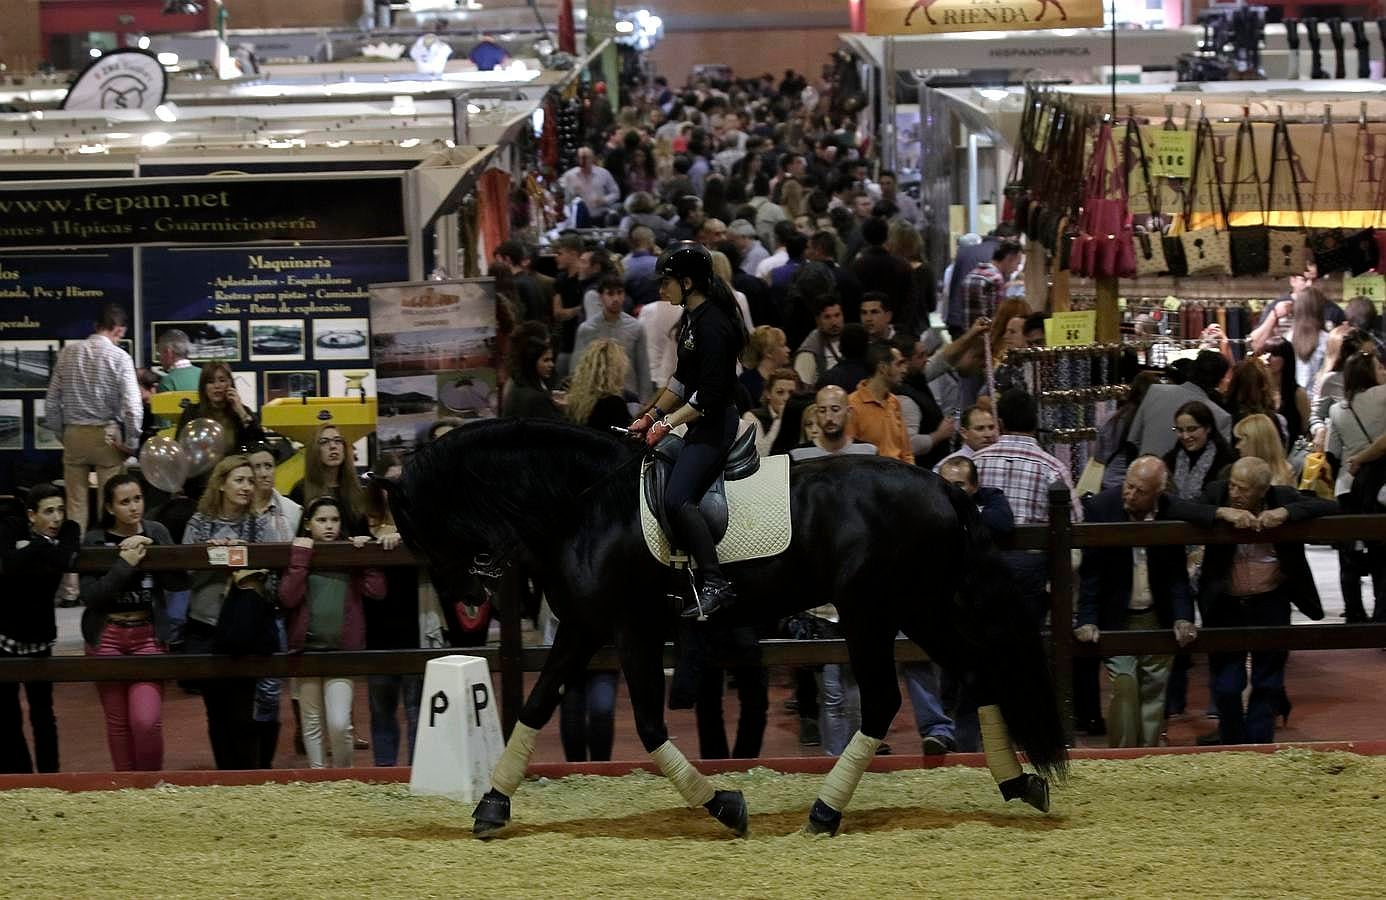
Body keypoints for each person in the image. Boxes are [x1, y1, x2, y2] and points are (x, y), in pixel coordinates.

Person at [1163, 457, 1337, 744]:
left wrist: (1286, 513)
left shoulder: (1281, 496)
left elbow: (1330, 505)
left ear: (1262, 490)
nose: (1235, 493)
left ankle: (1259, 745)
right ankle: (1233, 743)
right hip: (1226, 602)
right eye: (1233, 485)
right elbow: (1175, 506)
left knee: (1268, 681)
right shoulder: (1218, 493)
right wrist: (1222, 513)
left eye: (1243, 489)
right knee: (1227, 684)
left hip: (1270, 600)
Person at [628, 241, 746, 618]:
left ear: (689, 282)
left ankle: (715, 580)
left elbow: (708, 396)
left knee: (678, 498)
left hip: (715, 425)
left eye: (667, 282)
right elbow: (681, 381)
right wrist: (648, 416)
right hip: (698, 420)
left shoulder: (714, 325)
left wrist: (666, 424)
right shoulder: (693, 321)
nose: (661, 290)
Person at [1075, 457, 1197, 749]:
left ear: (1158, 492)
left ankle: (1149, 755)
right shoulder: (1102, 508)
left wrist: (1183, 616)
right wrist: (1087, 619)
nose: (1130, 494)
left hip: (1157, 613)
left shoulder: (1170, 512)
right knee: (1125, 684)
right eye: (1128, 486)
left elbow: (1176, 575)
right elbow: (1091, 572)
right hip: (1116, 614)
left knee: (1155, 690)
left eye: (1140, 491)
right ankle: (1123, 756)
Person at [78, 474, 187, 771]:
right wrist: (124, 565)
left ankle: (149, 785)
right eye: (124, 502)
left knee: (146, 721)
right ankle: (125, 788)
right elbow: (91, 595)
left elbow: (178, 582)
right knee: (118, 723)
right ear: (111, 508)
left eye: (137, 499)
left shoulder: (156, 530)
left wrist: (154, 552)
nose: (133, 507)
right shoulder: (95, 538)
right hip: (107, 634)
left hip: (148, 634)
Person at [279, 497, 387, 768]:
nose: (329, 526)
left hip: (342, 651)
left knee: (340, 723)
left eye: (334, 520)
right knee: (311, 723)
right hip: (306, 651)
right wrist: (300, 560)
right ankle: (319, 780)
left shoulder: (349, 552)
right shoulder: (299, 553)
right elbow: (288, 598)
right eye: (321, 520)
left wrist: (365, 558)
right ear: (308, 523)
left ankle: (343, 776)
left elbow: (377, 591)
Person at [182, 455, 274, 770]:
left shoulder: (259, 522)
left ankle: (247, 778)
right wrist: (212, 553)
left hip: (243, 626)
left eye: (250, 481)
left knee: (242, 710)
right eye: (239, 480)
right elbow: (186, 572)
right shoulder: (198, 522)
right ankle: (223, 777)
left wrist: (234, 556)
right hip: (205, 624)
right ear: (221, 483)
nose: (247, 486)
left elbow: (269, 572)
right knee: (215, 711)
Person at [974, 389, 1083, 626]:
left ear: (1000, 423)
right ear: (1035, 422)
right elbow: (1075, 521)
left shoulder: (976, 462)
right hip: (1030, 574)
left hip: (981, 567)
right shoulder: (1052, 468)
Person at [0, 484, 79, 773]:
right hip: (5, 635)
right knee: (7, 715)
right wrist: (41, 545)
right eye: (49, 511)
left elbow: (66, 559)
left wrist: (33, 547)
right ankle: (18, 775)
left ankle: (49, 777)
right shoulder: (10, 525)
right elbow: (8, 564)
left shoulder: (69, 528)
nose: (57, 518)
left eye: (60, 510)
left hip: (40, 636)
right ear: (31, 515)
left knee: (43, 713)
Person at [43, 303, 142, 530]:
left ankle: (76, 555)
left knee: (75, 504)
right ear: (118, 330)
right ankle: (105, 550)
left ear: (96, 326)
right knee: (112, 501)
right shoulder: (120, 357)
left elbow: (51, 402)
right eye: (120, 336)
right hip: (107, 436)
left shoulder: (67, 353)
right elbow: (133, 406)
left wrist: (62, 434)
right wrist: (131, 443)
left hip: (74, 435)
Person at [1327, 350, 1386, 622]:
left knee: (1349, 553)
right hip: (1381, 488)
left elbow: (1332, 453)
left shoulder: (1337, 409)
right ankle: (1382, 615)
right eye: (1379, 367)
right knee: (1382, 556)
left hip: (1348, 487)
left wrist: (1357, 457)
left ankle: (1353, 612)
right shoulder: (1385, 395)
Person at [1127, 351, 1232, 457]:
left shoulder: (1155, 391)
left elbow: (1133, 441)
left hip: (1143, 469)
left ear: (1192, 369)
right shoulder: (1221, 416)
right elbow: (1219, 460)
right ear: (1220, 380)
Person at [573, 276, 652, 402]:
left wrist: (645, 403)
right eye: (610, 293)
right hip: (595, 398)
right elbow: (577, 368)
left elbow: (643, 368)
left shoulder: (636, 327)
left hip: (629, 397)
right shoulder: (587, 329)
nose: (615, 298)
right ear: (600, 297)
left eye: (619, 293)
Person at [289, 422, 370, 537]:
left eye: (338, 440)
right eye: (324, 442)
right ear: (314, 450)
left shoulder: (359, 488)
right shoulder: (301, 490)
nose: (333, 446)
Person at [892, 333, 954, 468]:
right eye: (920, 356)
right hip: (923, 471)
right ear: (904, 362)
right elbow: (909, 444)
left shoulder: (917, 379)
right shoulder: (906, 399)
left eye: (926, 354)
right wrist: (939, 435)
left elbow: (946, 358)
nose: (926, 360)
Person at [846, 342, 914, 465]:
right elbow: (850, 457)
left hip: (900, 478)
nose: (904, 370)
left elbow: (906, 453)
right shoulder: (852, 405)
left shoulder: (894, 402)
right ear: (883, 368)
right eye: (899, 364)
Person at [177, 363, 264, 455]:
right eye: (210, 382)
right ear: (204, 387)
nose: (217, 386)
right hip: (199, 467)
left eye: (222, 380)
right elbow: (179, 447)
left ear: (230, 383)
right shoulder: (192, 412)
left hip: (234, 466)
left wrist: (241, 412)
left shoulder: (242, 411)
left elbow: (260, 445)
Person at [1163, 401, 1237, 501]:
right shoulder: (1170, 459)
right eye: (1180, 430)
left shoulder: (1226, 460)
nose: (1185, 436)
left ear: (1208, 428)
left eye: (1191, 429)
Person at [790, 385, 878, 460]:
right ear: (817, 414)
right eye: (822, 411)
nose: (828, 417)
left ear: (848, 412)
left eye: (835, 410)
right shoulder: (798, 455)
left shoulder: (867, 452)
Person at [961, 240, 1022, 326]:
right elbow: (997, 318)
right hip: (985, 335)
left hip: (968, 334)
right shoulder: (996, 279)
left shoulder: (972, 274)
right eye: (1017, 263)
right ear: (1009, 258)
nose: (1016, 269)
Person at [743, 368, 799, 457]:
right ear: (768, 393)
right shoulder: (752, 417)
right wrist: (779, 420)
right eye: (780, 392)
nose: (786, 398)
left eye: (791, 393)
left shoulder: (800, 415)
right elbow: (760, 455)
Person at [559, 147, 621, 225]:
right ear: (577, 159)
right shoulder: (569, 175)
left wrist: (604, 200)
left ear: (593, 158)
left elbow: (616, 193)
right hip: (579, 219)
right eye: (581, 158)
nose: (584, 161)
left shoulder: (603, 173)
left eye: (586, 157)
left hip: (600, 217)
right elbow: (566, 200)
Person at [793, 296, 844, 387]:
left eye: (837, 315)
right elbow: (803, 387)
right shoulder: (809, 351)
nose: (834, 322)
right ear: (818, 320)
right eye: (827, 317)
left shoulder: (852, 336)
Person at [1233, 414, 1296, 487]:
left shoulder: (1286, 477)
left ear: (1255, 442)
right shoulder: (1235, 471)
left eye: (1240, 440)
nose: (1237, 446)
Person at [934, 405, 1000, 471]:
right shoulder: (945, 467)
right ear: (964, 433)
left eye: (991, 427)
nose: (988, 434)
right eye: (980, 429)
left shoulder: (1003, 461)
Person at [739, 325, 791, 404]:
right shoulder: (746, 382)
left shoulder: (790, 376)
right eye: (783, 346)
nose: (788, 350)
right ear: (769, 353)